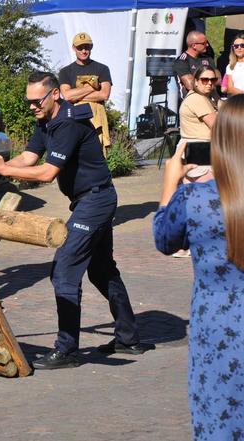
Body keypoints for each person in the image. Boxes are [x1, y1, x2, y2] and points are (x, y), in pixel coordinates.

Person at [0, 72, 152, 369]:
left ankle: (68, 350)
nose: (33, 106)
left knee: (64, 271)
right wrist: (2, 167)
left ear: (55, 96)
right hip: (90, 201)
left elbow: (48, 173)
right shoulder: (46, 122)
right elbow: (29, 158)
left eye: (37, 101)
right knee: (101, 271)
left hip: (96, 201)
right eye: (29, 102)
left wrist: (5, 171)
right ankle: (128, 338)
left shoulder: (68, 124)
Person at [153, 94, 244, 441]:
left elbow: (164, 239)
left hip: (218, 326)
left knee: (218, 417)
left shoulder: (197, 199)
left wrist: (169, 185)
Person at [172, 65, 219, 258]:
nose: (209, 84)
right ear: (196, 81)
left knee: (190, 201)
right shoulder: (199, 101)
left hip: (191, 150)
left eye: (212, 80)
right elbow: (218, 126)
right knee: (204, 202)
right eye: (204, 80)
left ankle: (184, 245)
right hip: (201, 152)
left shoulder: (200, 98)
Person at [59, 32, 112, 154]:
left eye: (87, 47)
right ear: (74, 48)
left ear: (91, 47)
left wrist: (76, 95)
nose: (84, 51)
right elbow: (67, 96)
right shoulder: (65, 71)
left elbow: (104, 94)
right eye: (80, 47)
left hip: (97, 116)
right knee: (76, 152)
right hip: (74, 118)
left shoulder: (102, 69)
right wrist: (92, 87)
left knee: (98, 152)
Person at [174, 31, 219, 99]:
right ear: (194, 46)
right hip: (192, 101)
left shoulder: (208, 58)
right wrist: (209, 81)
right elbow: (190, 86)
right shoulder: (182, 61)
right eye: (204, 43)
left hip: (209, 99)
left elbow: (218, 81)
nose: (207, 45)